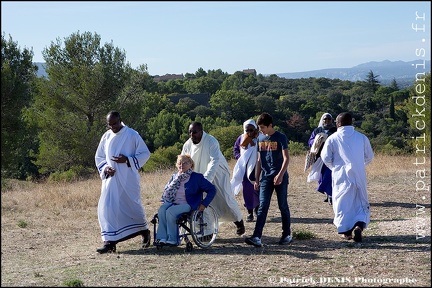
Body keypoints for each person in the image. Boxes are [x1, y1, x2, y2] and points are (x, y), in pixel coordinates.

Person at [94, 111, 151, 253]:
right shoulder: (106, 136)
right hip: (111, 181)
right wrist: (106, 168)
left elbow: (145, 153)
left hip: (128, 178)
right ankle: (109, 242)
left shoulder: (132, 134)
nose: (113, 126)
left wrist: (127, 160)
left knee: (132, 206)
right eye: (110, 124)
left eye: (115, 123)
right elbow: (99, 156)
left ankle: (144, 231)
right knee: (107, 207)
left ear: (121, 120)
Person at [181, 122, 246, 236]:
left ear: (201, 131)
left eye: (195, 132)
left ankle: (239, 221)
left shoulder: (211, 141)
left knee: (225, 200)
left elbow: (214, 161)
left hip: (218, 174)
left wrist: (206, 180)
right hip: (199, 176)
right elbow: (183, 161)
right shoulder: (187, 145)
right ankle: (207, 232)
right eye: (190, 132)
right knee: (201, 201)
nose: (192, 135)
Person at [320, 112, 374, 242]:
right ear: (351, 123)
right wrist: (359, 164)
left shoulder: (333, 138)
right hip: (359, 174)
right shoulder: (361, 137)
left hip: (341, 175)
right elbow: (370, 157)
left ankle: (347, 232)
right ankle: (359, 226)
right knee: (360, 201)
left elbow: (325, 157)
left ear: (338, 124)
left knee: (342, 203)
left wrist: (335, 168)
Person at [245, 112, 292, 247]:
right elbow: (259, 160)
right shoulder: (260, 139)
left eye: (263, 128)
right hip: (266, 177)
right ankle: (257, 236)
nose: (261, 130)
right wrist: (257, 179)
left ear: (270, 125)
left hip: (280, 176)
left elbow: (286, 158)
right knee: (263, 206)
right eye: (260, 128)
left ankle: (286, 234)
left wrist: (281, 175)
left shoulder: (281, 137)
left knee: (282, 205)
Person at [154, 154, 217, 246]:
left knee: (170, 211)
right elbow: (167, 191)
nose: (182, 165)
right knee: (162, 209)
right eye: (179, 163)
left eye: (185, 163)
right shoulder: (175, 177)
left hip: (189, 204)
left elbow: (212, 189)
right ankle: (162, 238)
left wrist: (204, 204)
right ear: (176, 164)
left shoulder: (197, 177)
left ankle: (173, 239)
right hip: (173, 202)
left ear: (191, 164)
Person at [231, 119, 260, 222]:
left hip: (256, 168)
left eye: (251, 130)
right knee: (247, 191)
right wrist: (240, 158)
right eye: (247, 130)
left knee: (257, 189)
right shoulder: (241, 138)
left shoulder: (259, 138)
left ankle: (257, 209)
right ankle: (250, 212)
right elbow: (236, 149)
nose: (249, 132)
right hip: (244, 169)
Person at [307, 113, 337, 205]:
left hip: (332, 157)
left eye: (329, 119)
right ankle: (328, 194)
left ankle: (331, 195)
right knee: (321, 177)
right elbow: (310, 141)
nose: (327, 121)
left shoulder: (335, 130)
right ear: (322, 120)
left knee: (328, 176)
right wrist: (317, 140)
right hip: (319, 157)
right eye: (325, 119)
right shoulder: (317, 130)